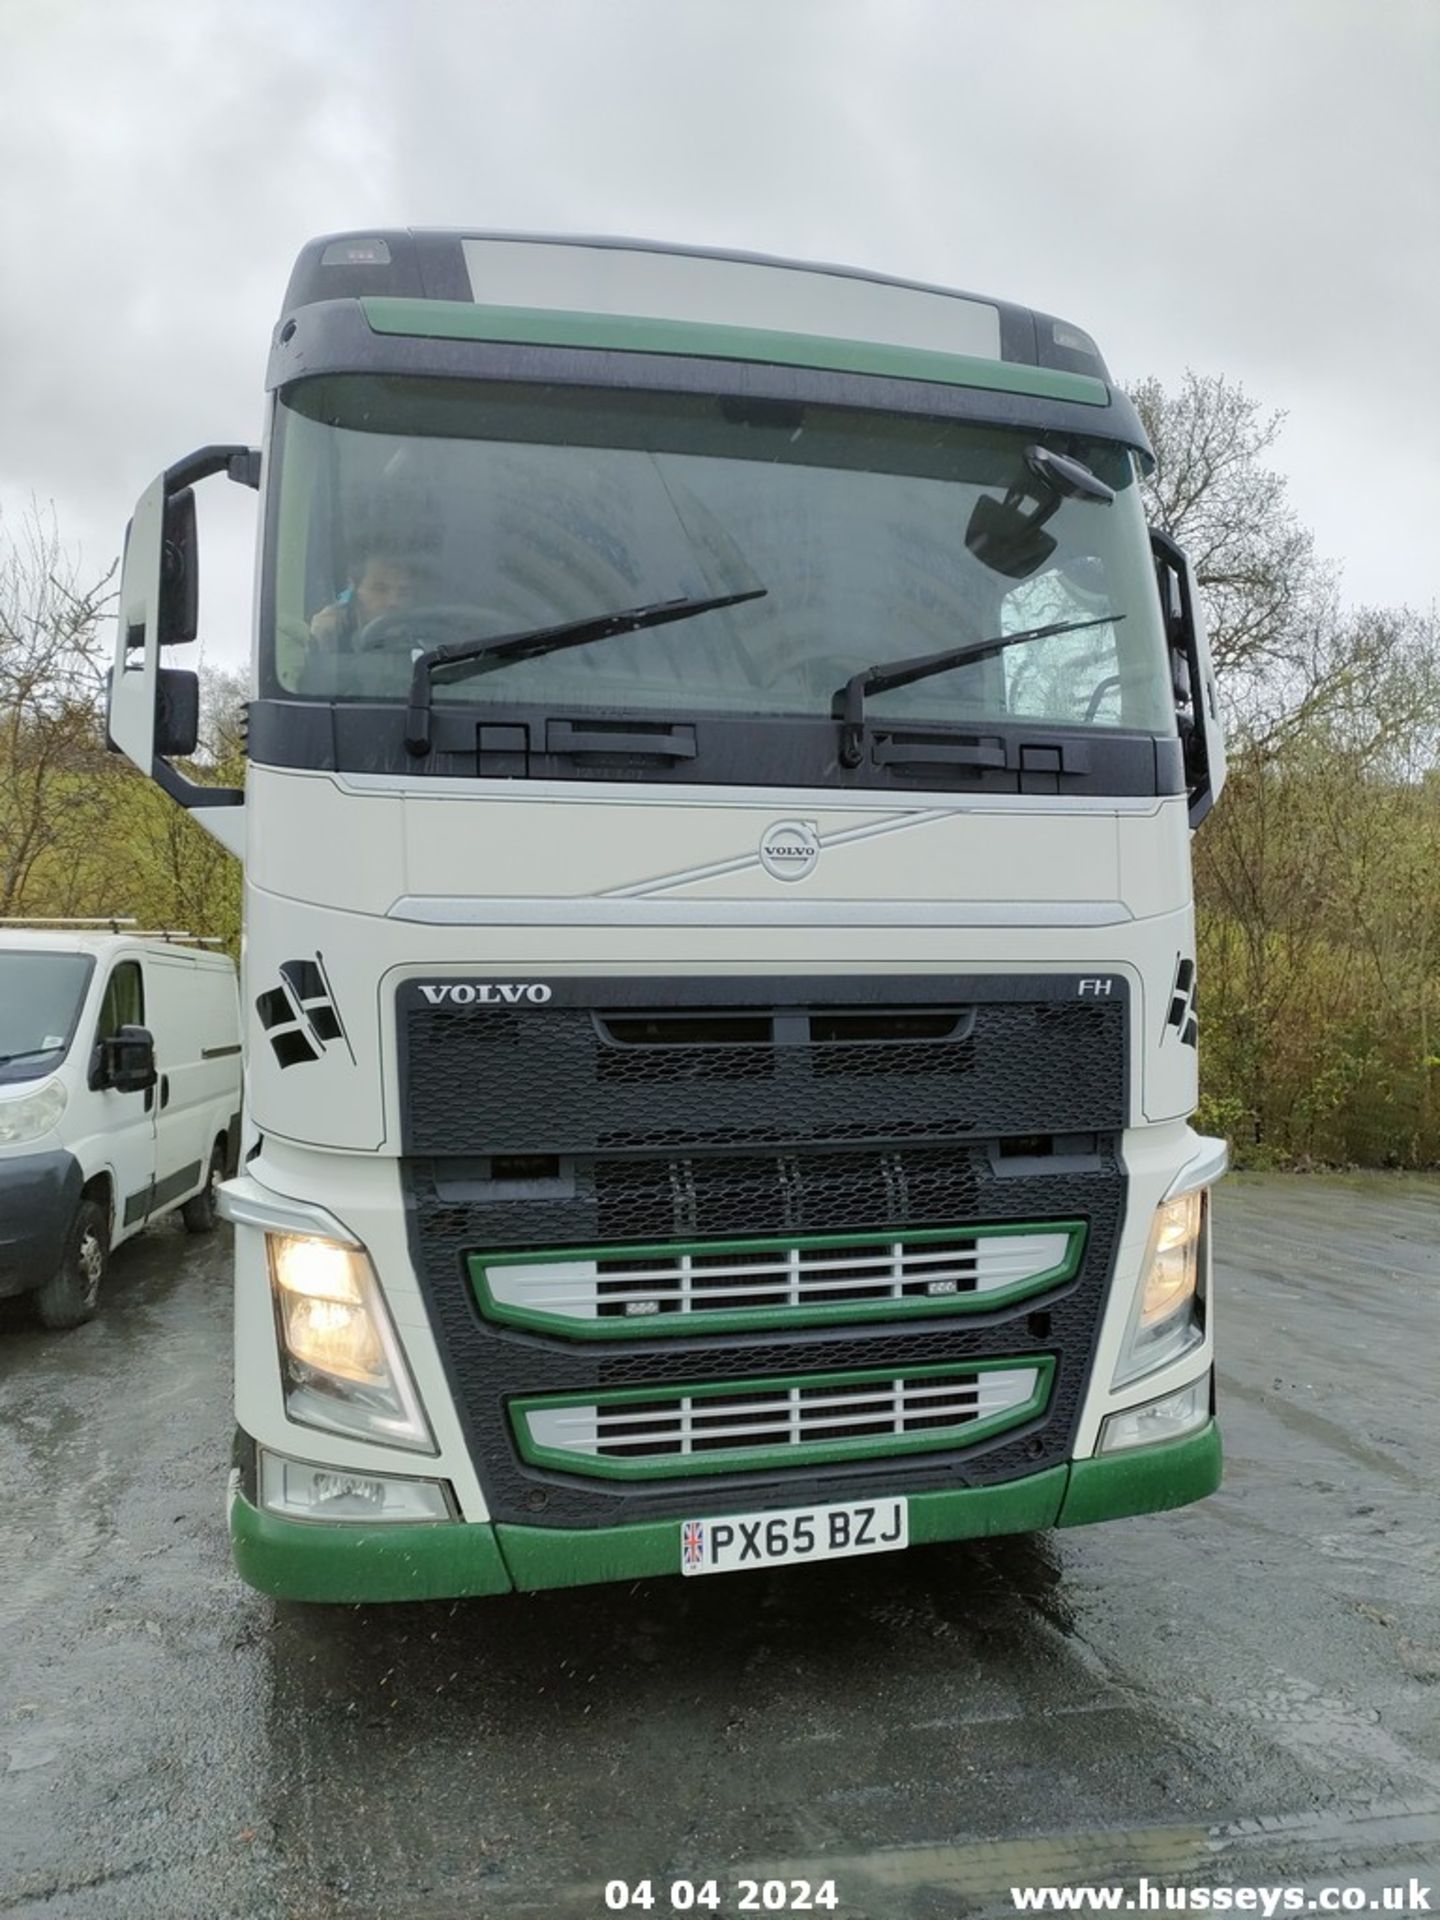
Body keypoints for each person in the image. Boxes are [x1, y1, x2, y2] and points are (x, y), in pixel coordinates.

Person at [309, 544, 425, 651]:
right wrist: (318, 646)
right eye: (380, 589)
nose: (393, 601)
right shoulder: (335, 636)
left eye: (404, 592)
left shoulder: (428, 642)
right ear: (354, 588)